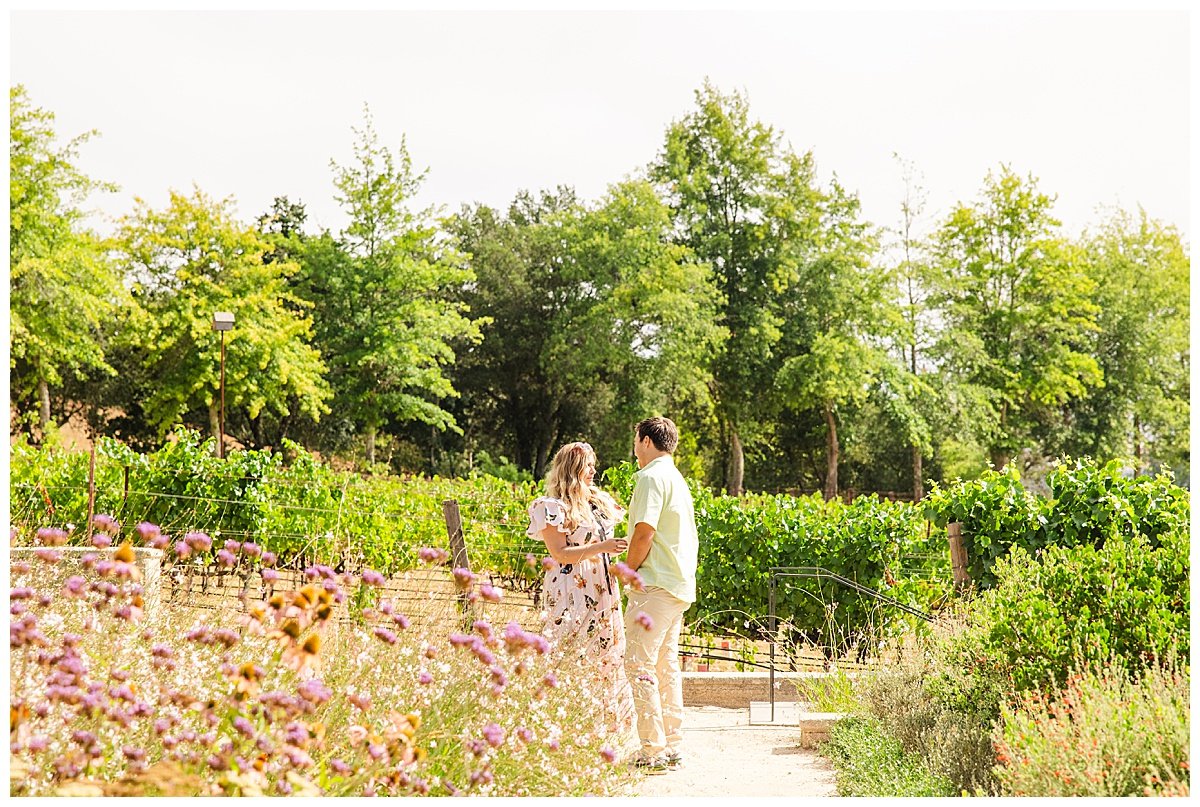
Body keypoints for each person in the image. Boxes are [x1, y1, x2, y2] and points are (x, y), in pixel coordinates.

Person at [526, 441, 636, 743]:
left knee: (607, 653)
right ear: (573, 469)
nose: (594, 470)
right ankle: (569, 725)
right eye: (588, 465)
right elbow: (560, 554)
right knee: (572, 652)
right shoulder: (552, 507)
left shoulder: (599, 503)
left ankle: (608, 726)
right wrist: (601, 548)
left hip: (601, 586)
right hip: (571, 588)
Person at [622, 416, 698, 774]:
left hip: (655, 586)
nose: (635, 449)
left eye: (636, 441)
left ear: (647, 441)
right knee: (665, 667)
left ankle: (652, 751)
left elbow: (644, 532)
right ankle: (674, 746)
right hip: (678, 586)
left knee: (639, 664)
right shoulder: (678, 479)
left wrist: (627, 569)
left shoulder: (650, 477)